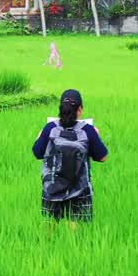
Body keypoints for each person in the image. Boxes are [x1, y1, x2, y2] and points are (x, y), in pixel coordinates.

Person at [32, 89, 108, 222]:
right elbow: (103, 157)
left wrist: (40, 135)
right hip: (80, 189)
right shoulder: (87, 130)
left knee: (49, 225)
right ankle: (72, 242)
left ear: (61, 108)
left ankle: (48, 242)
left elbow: (37, 153)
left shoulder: (50, 128)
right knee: (75, 235)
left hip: (52, 186)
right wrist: (96, 135)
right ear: (80, 109)